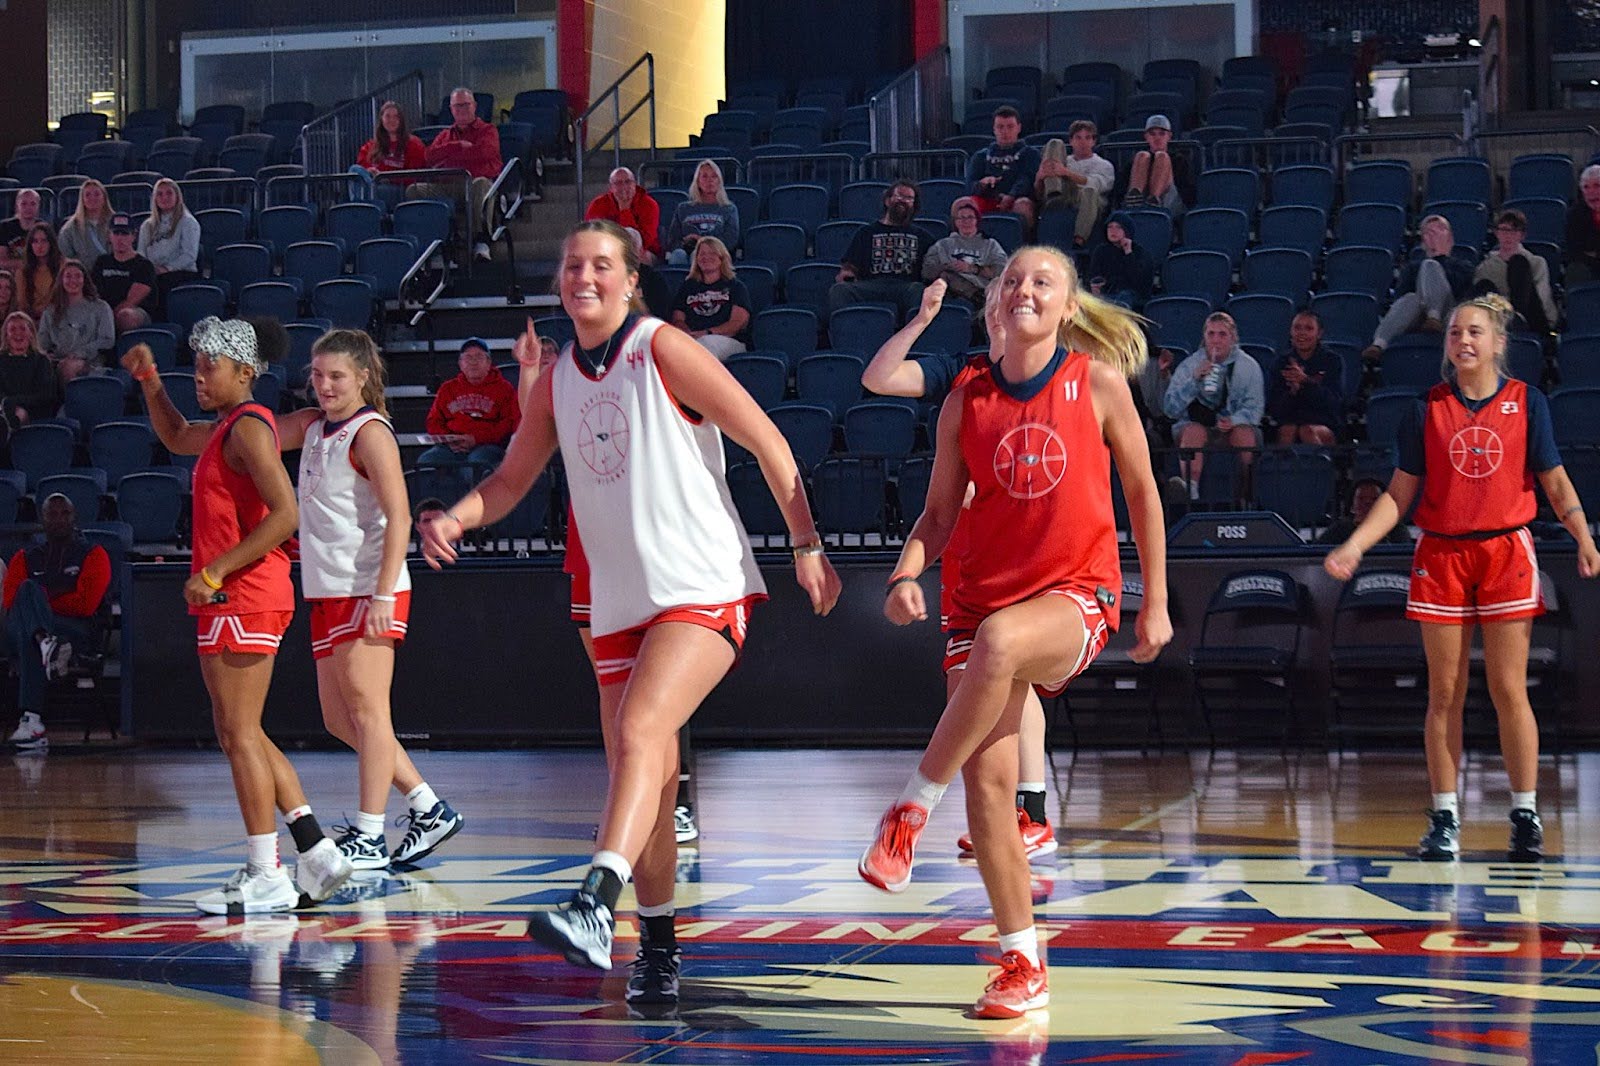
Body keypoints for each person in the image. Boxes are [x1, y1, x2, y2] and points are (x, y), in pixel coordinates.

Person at [418, 219, 840, 995]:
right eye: (573, 264)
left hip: (702, 582)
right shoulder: (555, 382)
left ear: (630, 278)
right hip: (618, 596)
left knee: (643, 732)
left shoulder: (663, 348)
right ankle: (661, 949)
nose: (584, 276)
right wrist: (456, 515)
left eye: (601, 265)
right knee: (639, 767)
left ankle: (594, 903)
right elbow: (510, 480)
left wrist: (806, 546)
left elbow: (767, 440)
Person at [858, 244, 1171, 1018]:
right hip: (978, 604)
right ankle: (1020, 965)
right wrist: (905, 576)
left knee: (1002, 644)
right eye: (1012, 281)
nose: (1024, 289)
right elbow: (936, 515)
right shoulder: (965, 398)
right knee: (992, 792)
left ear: (1067, 307)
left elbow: (1143, 491)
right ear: (995, 305)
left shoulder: (1095, 381)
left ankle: (909, 807)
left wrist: (1156, 600)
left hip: (1077, 596)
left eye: (1044, 280)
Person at [1325, 294, 1600, 863]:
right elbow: (1399, 496)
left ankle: (1525, 817)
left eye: (1475, 332)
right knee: (1444, 693)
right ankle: (1445, 817)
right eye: (1455, 333)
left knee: (1507, 689)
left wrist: (1583, 536)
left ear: (1499, 343)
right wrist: (1354, 544)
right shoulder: (1425, 409)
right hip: (1442, 555)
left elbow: (1554, 481)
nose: (1464, 341)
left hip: (1505, 553)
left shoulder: (1528, 403)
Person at [120, 317, 353, 913]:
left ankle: (265, 871)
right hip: (236, 594)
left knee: (240, 734)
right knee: (238, 731)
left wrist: (216, 571)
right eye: (195, 363)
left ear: (245, 373)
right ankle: (316, 852)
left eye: (210, 366)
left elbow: (285, 515)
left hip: (246, 591)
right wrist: (149, 379)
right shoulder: (229, 426)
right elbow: (174, 435)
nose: (199, 374)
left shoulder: (250, 427)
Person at [862, 278, 1060, 861]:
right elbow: (878, 378)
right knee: (988, 682)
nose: (1012, 297)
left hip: (1026, 540)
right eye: (1002, 292)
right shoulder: (962, 374)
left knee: (1011, 672)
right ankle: (1012, 817)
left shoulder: (1058, 374)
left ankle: (1029, 813)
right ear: (990, 310)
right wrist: (920, 320)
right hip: (967, 540)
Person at [277, 329, 463, 870]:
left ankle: (369, 833)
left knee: (368, 710)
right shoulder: (314, 426)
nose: (325, 385)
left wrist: (384, 591)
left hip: (369, 587)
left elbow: (400, 515)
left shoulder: (370, 431)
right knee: (340, 719)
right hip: (328, 588)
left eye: (336, 375)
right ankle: (429, 809)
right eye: (316, 375)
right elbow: (252, 432)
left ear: (362, 376)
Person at [2, 493, 111, 753]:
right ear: (42, 518)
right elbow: (10, 603)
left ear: (75, 518)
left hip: (75, 631)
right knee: (27, 595)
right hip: (36, 633)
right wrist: (46, 602)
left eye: (65, 513)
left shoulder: (93, 555)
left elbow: (85, 604)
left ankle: (33, 722)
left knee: (29, 619)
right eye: (52, 513)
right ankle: (46, 643)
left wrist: (40, 605)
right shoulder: (25, 558)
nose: (59, 519)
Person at [1161, 312, 1265, 501]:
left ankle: (1246, 494)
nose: (1216, 340)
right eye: (1211, 334)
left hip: (1234, 426)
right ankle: (1189, 492)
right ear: (1204, 336)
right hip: (1196, 426)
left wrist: (1234, 421)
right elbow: (1170, 409)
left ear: (1233, 338)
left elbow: (1255, 408)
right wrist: (1194, 380)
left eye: (1222, 334)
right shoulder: (1189, 365)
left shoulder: (1249, 367)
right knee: (1193, 431)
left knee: (1244, 434)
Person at [1361, 215, 1474, 361]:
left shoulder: (1463, 266)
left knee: (1430, 265)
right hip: (1415, 315)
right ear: (1423, 242)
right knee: (1411, 297)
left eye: (1439, 230)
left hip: (1449, 314)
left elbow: (1463, 293)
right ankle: (1378, 345)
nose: (1434, 235)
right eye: (1428, 232)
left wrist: (1439, 261)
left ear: (1450, 238)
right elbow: (1400, 298)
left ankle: (1434, 317)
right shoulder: (1412, 268)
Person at [414, 87, 502, 262]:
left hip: (473, 182)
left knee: (482, 184)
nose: (461, 109)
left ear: (475, 106)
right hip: (447, 185)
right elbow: (429, 156)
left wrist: (448, 159)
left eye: (465, 105)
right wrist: (457, 146)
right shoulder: (445, 135)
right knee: (414, 189)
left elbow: (484, 153)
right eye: (457, 106)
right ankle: (434, 245)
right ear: (451, 109)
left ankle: (481, 240)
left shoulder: (488, 130)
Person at [828, 180, 928, 320]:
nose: (903, 201)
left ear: (914, 205)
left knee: (919, 290)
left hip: (905, 286)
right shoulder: (866, 232)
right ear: (887, 200)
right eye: (899, 196)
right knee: (839, 290)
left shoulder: (923, 236)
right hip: (871, 284)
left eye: (909, 198)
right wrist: (847, 272)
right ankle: (849, 333)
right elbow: (850, 264)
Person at [417, 338, 519, 469]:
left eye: (479, 357)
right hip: (451, 447)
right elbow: (433, 421)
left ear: (489, 363)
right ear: (460, 363)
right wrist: (450, 440)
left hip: (487, 445)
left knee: (474, 464)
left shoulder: (504, 389)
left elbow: (507, 424)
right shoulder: (447, 388)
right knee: (426, 461)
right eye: (468, 358)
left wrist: (476, 439)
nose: (473, 362)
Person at [1473, 209, 1557, 337]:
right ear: (1496, 233)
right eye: (1504, 230)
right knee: (1484, 285)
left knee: (1519, 264)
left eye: (1514, 231)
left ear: (1522, 235)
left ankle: (1518, 317)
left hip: (1532, 317)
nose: (1508, 236)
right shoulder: (1486, 267)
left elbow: (1542, 295)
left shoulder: (1536, 262)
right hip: (1498, 318)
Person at [1265, 309, 1344, 446]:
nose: (1302, 333)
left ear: (1319, 334)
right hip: (1290, 421)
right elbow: (1274, 408)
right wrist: (1293, 391)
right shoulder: (1281, 362)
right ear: (1291, 332)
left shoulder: (1332, 360)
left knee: (1307, 431)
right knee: (1287, 430)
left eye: (1308, 328)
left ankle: (1323, 466)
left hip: (1324, 423)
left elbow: (1334, 403)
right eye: (1297, 328)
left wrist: (1306, 382)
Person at [1034, 120, 1115, 248]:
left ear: (1094, 141)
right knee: (1055, 143)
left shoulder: (1104, 165)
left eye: (1087, 138)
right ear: (1071, 141)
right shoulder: (1063, 162)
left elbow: (1096, 185)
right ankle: (1053, 192)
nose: (1083, 142)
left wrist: (1065, 172)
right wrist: (1040, 177)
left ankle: (1079, 239)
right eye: (1078, 138)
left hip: (1091, 199)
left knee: (1089, 191)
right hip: (1064, 194)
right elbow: (1038, 193)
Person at [669, 236, 750, 361]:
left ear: (722, 258)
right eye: (702, 254)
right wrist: (687, 333)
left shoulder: (735, 286)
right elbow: (678, 318)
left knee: (705, 344)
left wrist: (707, 332)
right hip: (693, 339)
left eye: (712, 253)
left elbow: (737, 323)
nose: (706, 257)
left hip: (728, 340)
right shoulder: (688, 287)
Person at [920, 197, 1008, 310]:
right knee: (945, 276)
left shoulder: (991, 245)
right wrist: (949, 266)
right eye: (961, 218)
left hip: (984, 289)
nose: (966, 221)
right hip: (950, 291)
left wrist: (972, 269)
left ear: (977, 220)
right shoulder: (942, 245)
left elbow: (1002, 270)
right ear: (955, 222)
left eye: (970, 217)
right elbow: (927, 272)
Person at [37, 259, 114, 384]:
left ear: (84, 279)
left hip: (90, 363)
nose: (73, 280)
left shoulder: (100, 307)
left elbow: (107, 340)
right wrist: (45, 354)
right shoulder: (50, 311)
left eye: (78, 276)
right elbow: (43, 342)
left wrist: (80, 353)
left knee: (68, 367)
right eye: (68, 276)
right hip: (58, 360)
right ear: (61, 280)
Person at [964, 106, 1039, 228]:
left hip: (1018, 199)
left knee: (1023, 205)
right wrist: (982, 184)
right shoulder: (980, 156)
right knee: (963, 203)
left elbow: (1028, 179)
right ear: (994, 129)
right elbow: (969, 185)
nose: (1005, 131)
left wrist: (1011, 196)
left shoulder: (1030, 153)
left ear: (1018, 128)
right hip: (988, 199)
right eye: (1000, 127)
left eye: (1010, 127)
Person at [137, 178, 201, 306]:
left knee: (159, 285)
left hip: (181, 273)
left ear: (177, 196)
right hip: (154, 273)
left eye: (169, 193)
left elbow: (189, 255)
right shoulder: (147, 226)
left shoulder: (188, 222)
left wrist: (167, 268)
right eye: (159, 194)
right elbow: (141, 253)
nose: (164, 197)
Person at [664, 160, 740, 264]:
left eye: (714, 176)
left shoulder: (729, 209)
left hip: (716, 254)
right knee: (678, 255)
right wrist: (685, 242)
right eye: (704, 176)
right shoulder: (683, 208)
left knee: (698, 255)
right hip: (686, 251)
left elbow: (731, 240)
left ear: (719, 181)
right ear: (697, 182)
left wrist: (702, 241)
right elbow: (673, 240)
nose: (710, 181)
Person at [92, 213, 157, 333]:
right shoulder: (101, 262)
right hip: (104, 310)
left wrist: (106, 318)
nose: (120, 238)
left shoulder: (144, 265)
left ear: (133, 236)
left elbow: (131, 301)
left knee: (125, 316)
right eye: (116, 233)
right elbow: (93, 293)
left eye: (125, 233)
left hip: (135, 311)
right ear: (109, 236)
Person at [584, 167, 662, 265]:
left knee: (636, 254)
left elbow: (645, 241)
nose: (624, 187)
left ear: (635, 184)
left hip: (643, 252)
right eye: (618, 183)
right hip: (607, 251)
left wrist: (624, 210)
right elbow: (592, 234)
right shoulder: (598, 204)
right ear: (611, 187)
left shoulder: (649, 204)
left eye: (628, 182)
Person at [1123, 115, 1192, 216]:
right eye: (1152, 134)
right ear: (1146, 137)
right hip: (1141, 199)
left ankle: (1154, 200)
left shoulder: (1179, 159)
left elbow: (1186, 187)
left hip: (1169, 200)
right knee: (1142, 155)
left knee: (1161, 156)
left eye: (1162, 134)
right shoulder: (1135, 161)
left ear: (1169, 136)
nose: (1157, 138)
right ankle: (1135, 197)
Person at [0, 311, 59, 427]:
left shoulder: (41, 361)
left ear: (31, 333)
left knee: (17, 414)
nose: (18, 333)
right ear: (6, 335)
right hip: (4, 409)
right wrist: (8, 404)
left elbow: (46, 396)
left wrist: (14, 402)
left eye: (23, 329)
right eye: (12, 329)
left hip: (35, 411)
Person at [1315, 477, 1410, 546]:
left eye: (1374, 499)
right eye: (1361, 499)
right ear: (1352, 506)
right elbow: (1319, 555)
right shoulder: (1338, 530)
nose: (1367, 503)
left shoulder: (1397, 530)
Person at [1085, 212, 1153, 309]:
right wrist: (1095, 287)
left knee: (1124, 297)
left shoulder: (1140, 252)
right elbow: (1094, 275)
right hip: (1106, 293)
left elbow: (1140, 283)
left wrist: (1128, 253)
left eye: (1118, 227)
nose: (1113, 231)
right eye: (1110, 227)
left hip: (1131, 296)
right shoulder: (1100, 251)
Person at [357, 101, 428, 176]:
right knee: (355, 169)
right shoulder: (372, 145)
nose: (392, 120)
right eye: (387, 116)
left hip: (397, 185)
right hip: (373, 182)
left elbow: (415, 175)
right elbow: (362, 165)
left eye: (396, 116)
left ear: (401, 120)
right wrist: (369, 170)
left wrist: (384, 176)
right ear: (381, 119)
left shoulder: (414, 144)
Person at [57, 179, 113, 266]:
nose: (92, 198)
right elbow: (65, 257)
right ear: (82, 199)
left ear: (104, 198)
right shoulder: (70, 228)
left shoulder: (115, 223)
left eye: (97, 194)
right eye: (87, 195)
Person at [1563, 164, 1600, 287]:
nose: (1591, 192)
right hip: (1589, 267)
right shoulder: (1575, 215)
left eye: (1597, 186)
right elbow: (1574, 251)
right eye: (1586, 187)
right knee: (1575, 270)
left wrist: (1593, 251)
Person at [17, 223, 61, 320]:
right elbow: (22, 305)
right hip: (32, 321)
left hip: (58, 318)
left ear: (51, 243)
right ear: (30, 245)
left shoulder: (63, 266)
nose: (39, 246)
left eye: (44, 241)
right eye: (35, 241)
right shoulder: (23, 271)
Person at [0, 189, 44, 272]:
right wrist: (24, 264)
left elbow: (48, 259)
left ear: (38, 206)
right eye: (24, 204)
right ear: (17, 206)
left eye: (33, 204)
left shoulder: (44, 228)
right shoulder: (4, 227)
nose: (28, 208)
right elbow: (1, 261)